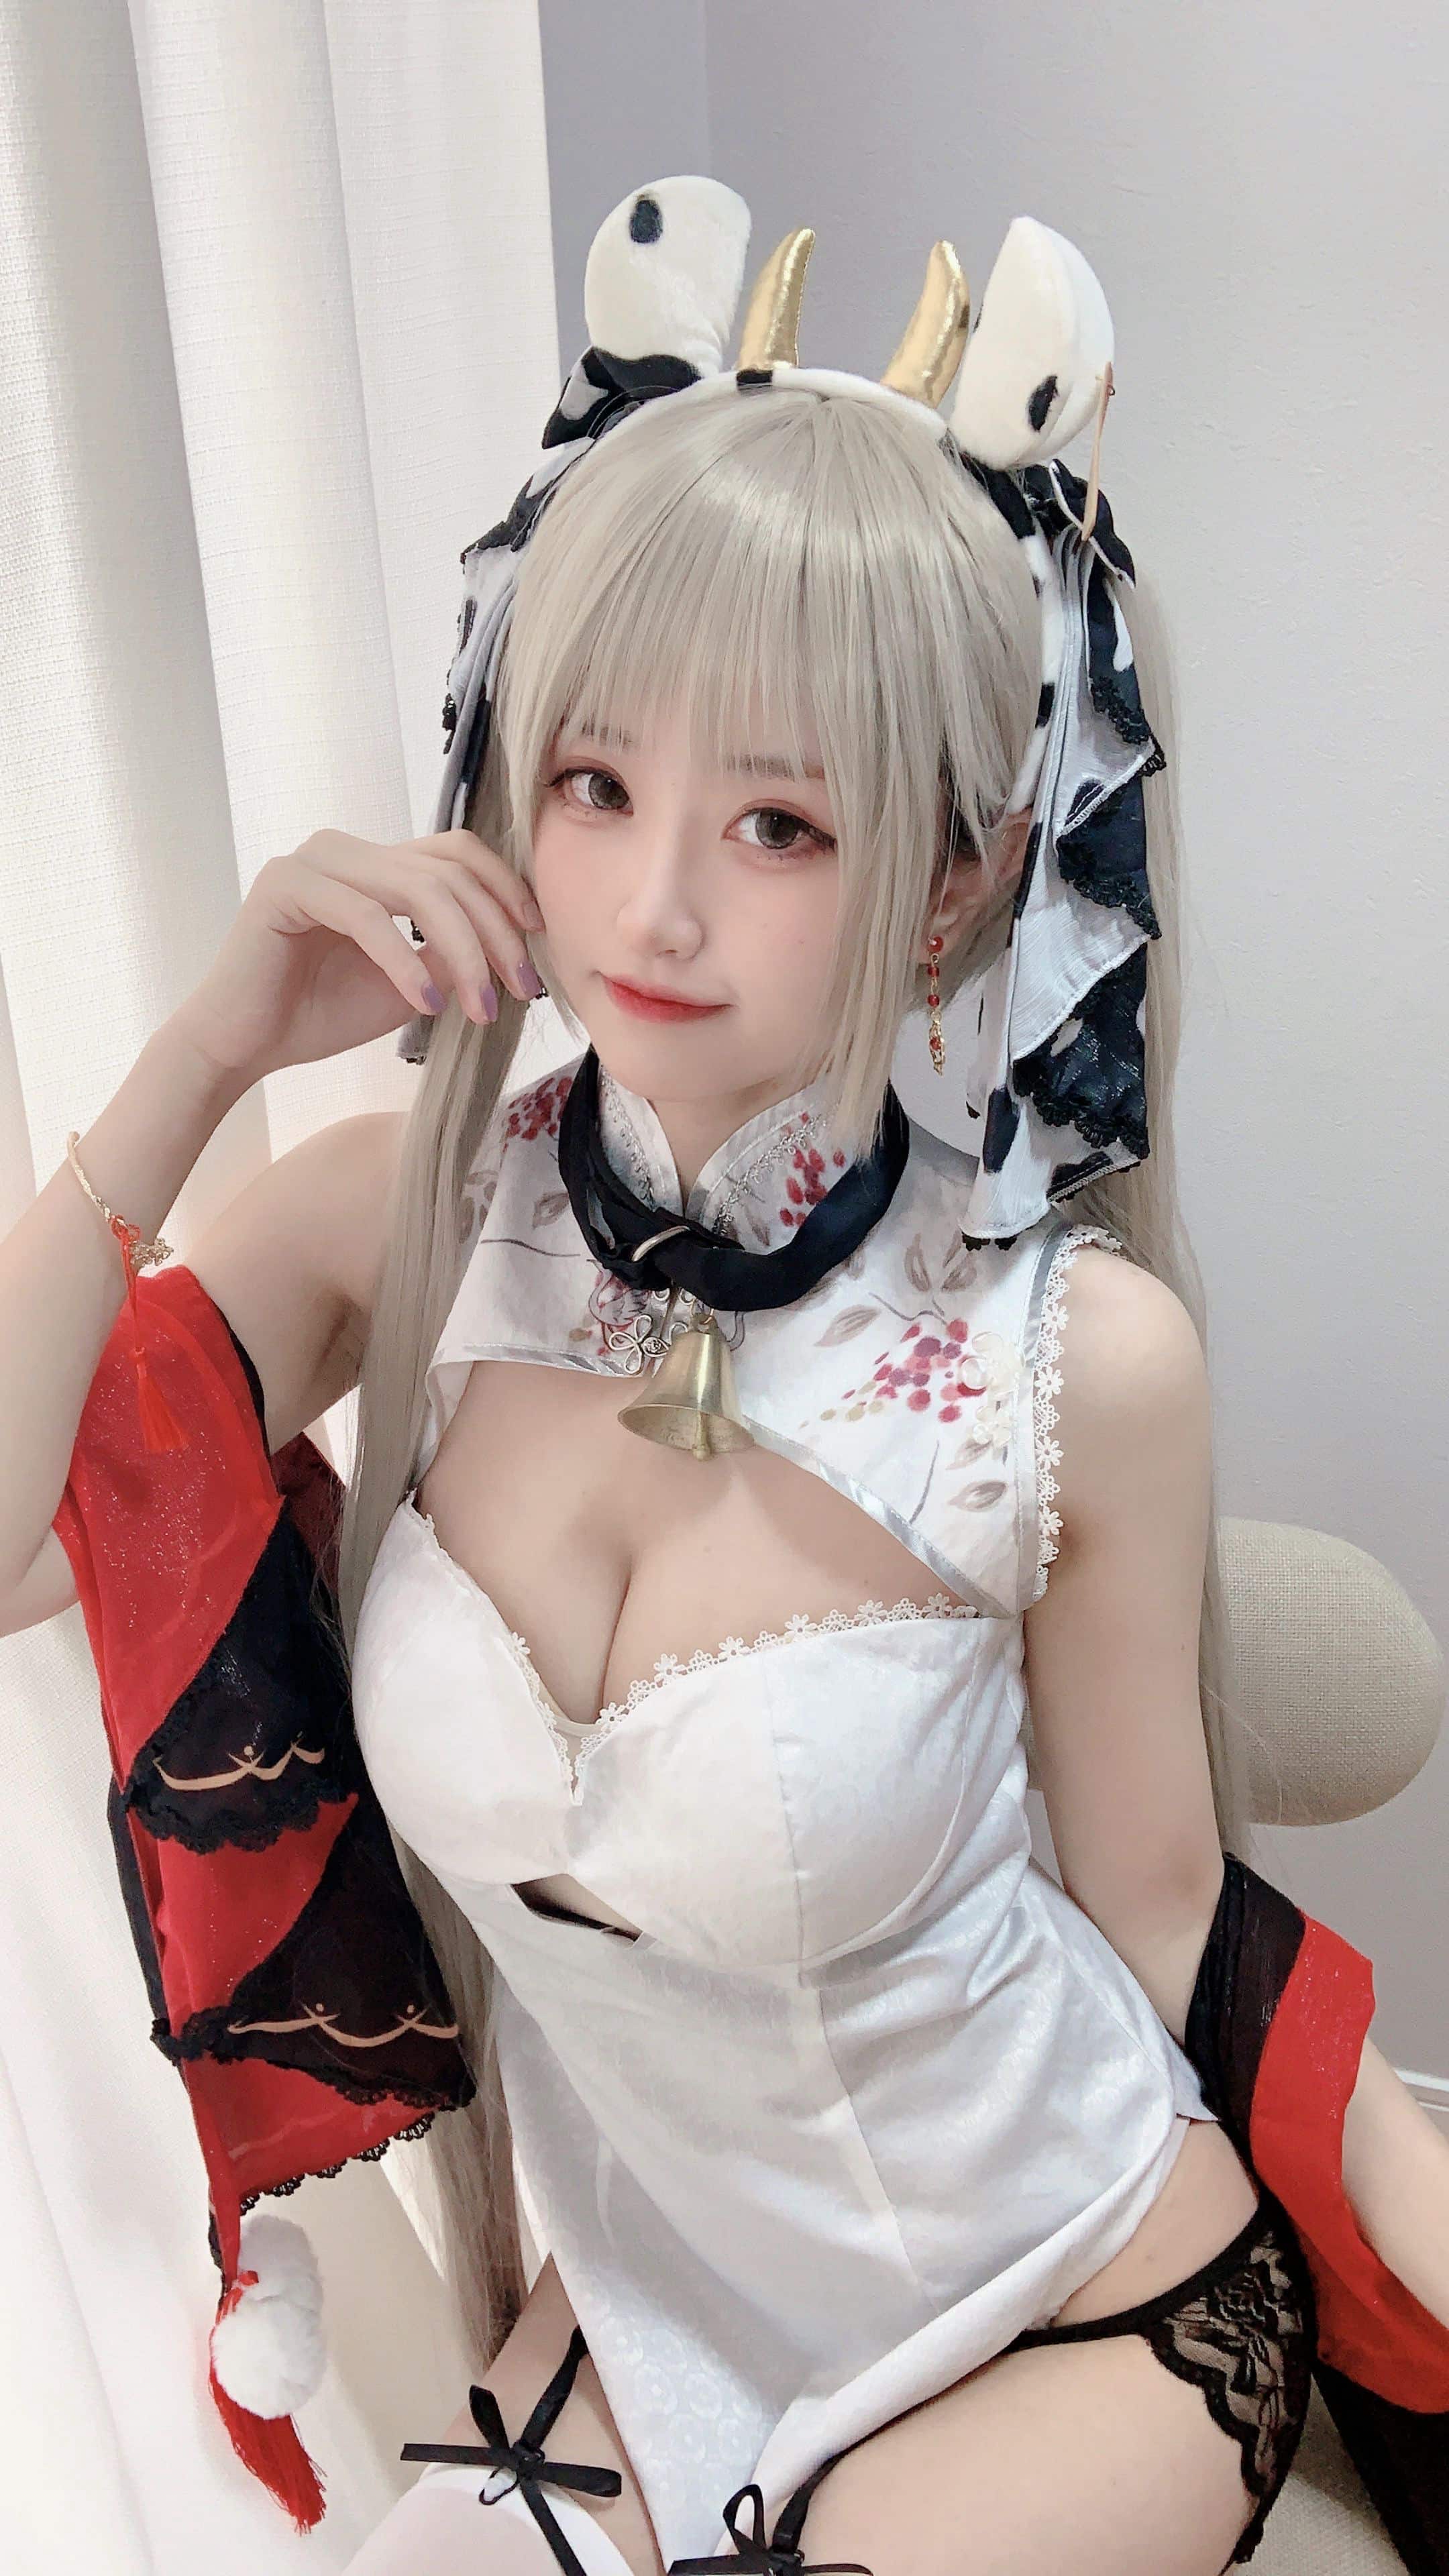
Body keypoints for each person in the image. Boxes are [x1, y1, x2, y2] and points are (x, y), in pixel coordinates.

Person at [1, 179, 1446, 2576]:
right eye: (596, 785)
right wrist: (208, 1050)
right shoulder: (403, 1232)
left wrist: (1410, 2207)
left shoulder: (1072, 1357)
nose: (657, 901)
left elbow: (1168, 1920)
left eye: (778, 820)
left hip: (1093, 2304)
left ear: (962, 877)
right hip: (655, 2314)